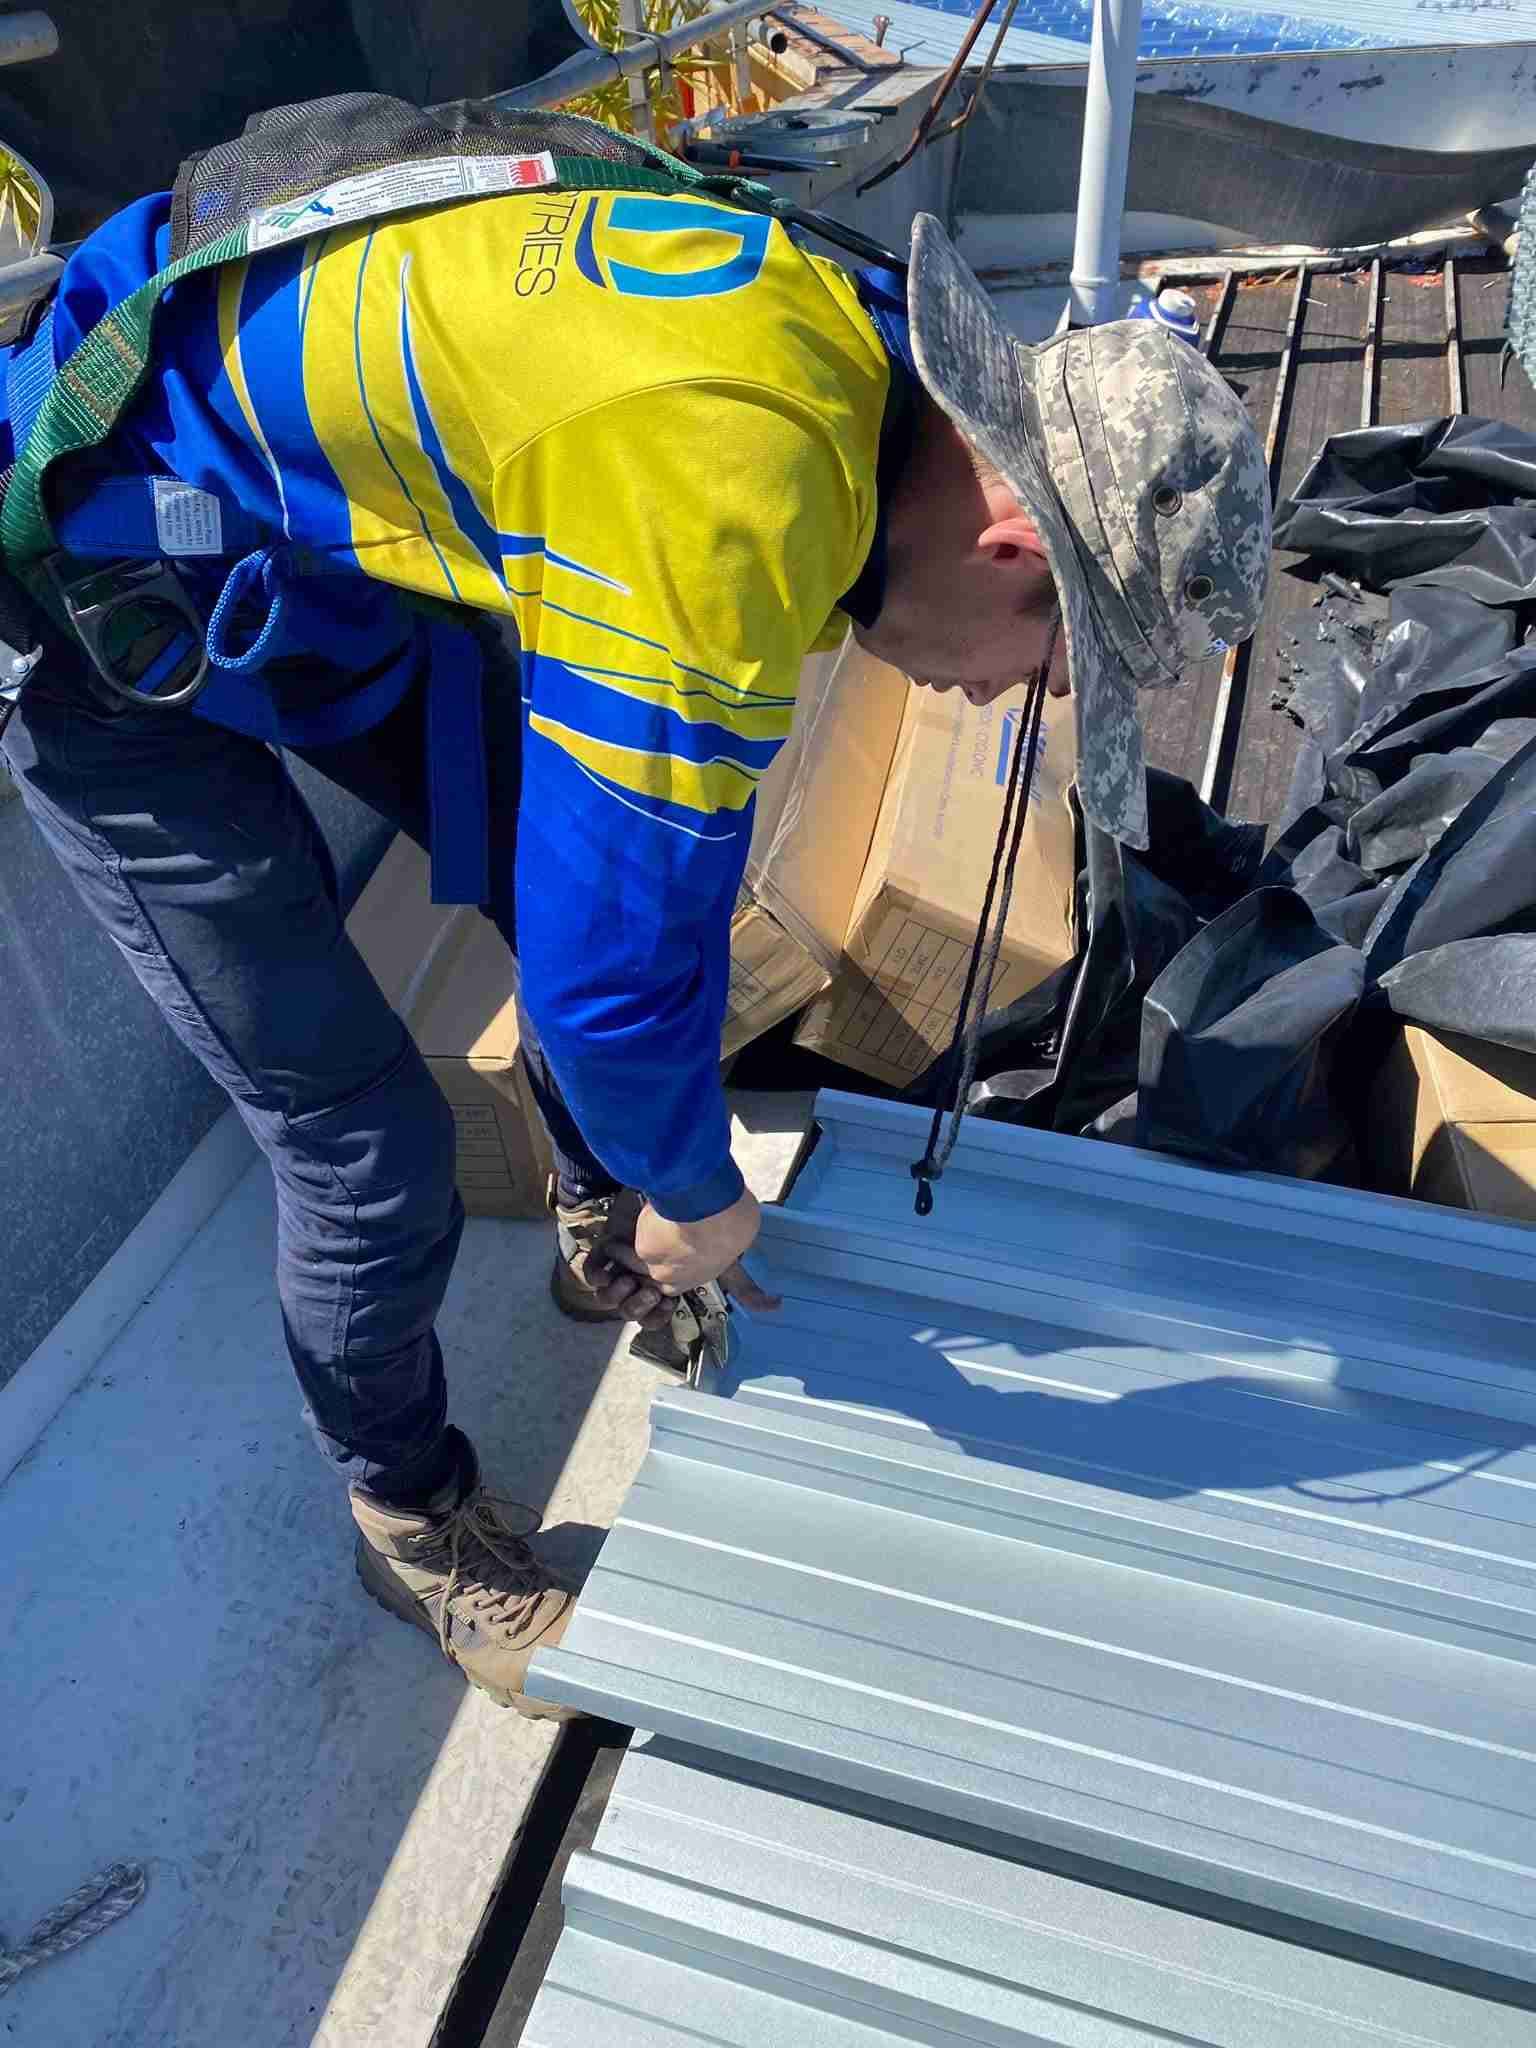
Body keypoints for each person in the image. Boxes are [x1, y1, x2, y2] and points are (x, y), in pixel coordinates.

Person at [0, 104, 1269, 1715]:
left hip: (317, 544)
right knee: (364, 1147)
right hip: (102, 610)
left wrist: (661, 1168)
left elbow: (628, 908)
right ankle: (410, 1516)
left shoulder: (872, 354)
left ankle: (616, 1233)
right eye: (1048, 668)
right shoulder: (728, 490)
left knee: (600, 866)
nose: (989, 703)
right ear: (1015, 540)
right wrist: (703, 1181)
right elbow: (608, 987)